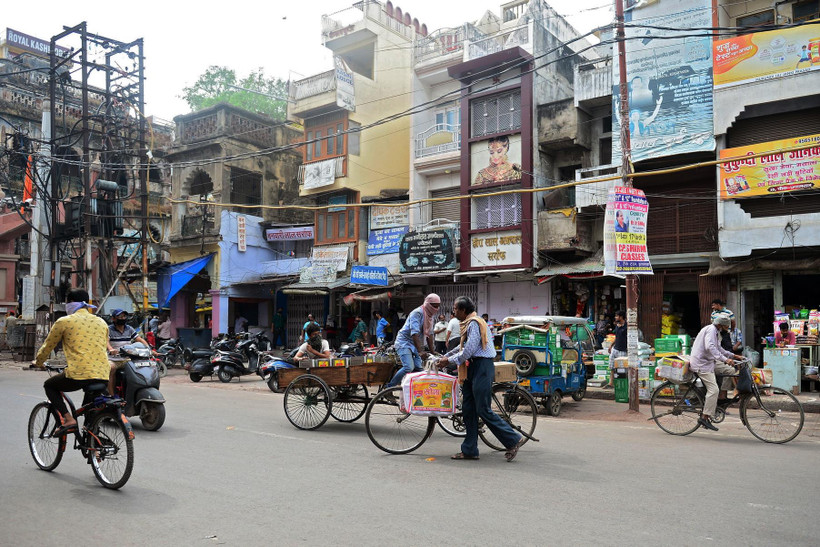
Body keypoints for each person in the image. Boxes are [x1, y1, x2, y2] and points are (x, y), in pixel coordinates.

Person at [437, 296, 523, 462]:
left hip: (482, 367)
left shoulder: (474, 323)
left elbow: (468, 350)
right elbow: (461, 347)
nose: (453, 312)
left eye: (455, 309)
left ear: (463, 310)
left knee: (483, 409)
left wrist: (448, 361)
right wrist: (444, 356)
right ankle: (469, 449)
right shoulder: (467, 325)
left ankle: (512, 439)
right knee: (469, 409)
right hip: (472, 368)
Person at [33, 288, 110, 436]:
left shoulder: (64, 321)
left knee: (49, 385)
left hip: (79, 374)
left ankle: (68, 419)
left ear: (70, 303)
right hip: (102, 374)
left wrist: (38, 362)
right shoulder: (101, 322)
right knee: (89, 409)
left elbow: (48, 346)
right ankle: (93, 443)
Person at [689, 314, 744, 431]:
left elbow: (719, 349)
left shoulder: (716, 332)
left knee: (731, 370)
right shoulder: (711, 330)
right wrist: (725, 359)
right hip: (701, 364)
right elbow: (710, 347)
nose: (727, 328)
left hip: (709, 361)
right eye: (726, 326)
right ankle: (705, 417)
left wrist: (734, 356)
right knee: (713, 390)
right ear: (720, 325)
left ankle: (723, 399)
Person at [386, 294, 441, 388]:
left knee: (420, 369)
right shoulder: (418, 313)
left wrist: (432, 352)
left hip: (414, 344)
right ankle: (389, 388)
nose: (436, 308)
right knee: (408, 367)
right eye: (434, 306)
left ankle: (415, 391)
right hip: (404, 342)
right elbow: (414, 333)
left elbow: (430, 334)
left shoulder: (430, 316)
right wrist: (420, 352)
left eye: (438, 306)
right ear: (428, 304)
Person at [107, 309, 152, 397]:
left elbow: (139, 339)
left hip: (127, 359)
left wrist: (148, 348)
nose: (123, 318)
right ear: (113, 319)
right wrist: (111, 349)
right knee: (111, 368)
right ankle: (111, 395)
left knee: (138, 367)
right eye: (120, 317)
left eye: (124, 316)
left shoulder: (129, 329)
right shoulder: (109, 329)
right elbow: (106, 341)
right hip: (113, 359)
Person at [604, 310, 627, 389]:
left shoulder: (627, 326)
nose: (615, 317)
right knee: (612, 366)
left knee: (622, 368)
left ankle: (622, 384)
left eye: (617, 316)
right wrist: (611, 345)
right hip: (615, 349)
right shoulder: (617, 326)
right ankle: (611, 383)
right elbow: (617, 337)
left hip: (623, 350)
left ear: (621, 317)